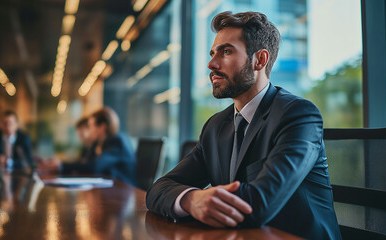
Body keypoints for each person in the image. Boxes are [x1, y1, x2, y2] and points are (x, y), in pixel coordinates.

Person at [146, 11, 341, 240]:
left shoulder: (299, 115)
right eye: (212, 53)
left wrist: (203, 199)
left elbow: (258, 205)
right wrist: (190, 199)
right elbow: (158, 189)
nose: (212, 64)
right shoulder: (215, 126)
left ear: (260, 60)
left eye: (226, 51)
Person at [46, 107, 136, 183]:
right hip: (111, 188)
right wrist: (61, 165)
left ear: (102, 127)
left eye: (91, 126)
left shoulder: (117, 142)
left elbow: (95, 167)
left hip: (124, 190)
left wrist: (62, 166)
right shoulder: (98, 144)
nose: (90, 130)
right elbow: (85, 162)